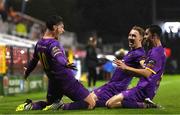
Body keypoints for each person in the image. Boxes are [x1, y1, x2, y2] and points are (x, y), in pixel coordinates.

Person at [16, 15, 95, 111]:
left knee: (50, 104)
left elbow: (33, 61)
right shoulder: (53, 44)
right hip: (67, 81)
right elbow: (58, 57)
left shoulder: (39, 44)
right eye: (61, 27)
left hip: (54, 82)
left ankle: (30, 105)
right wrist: (65, 64)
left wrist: (27, 72)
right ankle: (62, 106)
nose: (63, 30)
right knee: (91, 103)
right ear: (54, 27)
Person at [60, 26, 146, 110]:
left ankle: (62, 106)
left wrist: (127, 68)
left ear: (141, 38)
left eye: (134, 36)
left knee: (90, 102)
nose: (130, 37)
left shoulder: (140, 53)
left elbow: (146, 70)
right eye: (130, 35)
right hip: (110, 86)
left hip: (115, 88)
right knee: (89, 98)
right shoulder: (132, 52)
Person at [106, 25, 166, 109]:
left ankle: (146, 105)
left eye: (146, 34)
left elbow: (147, 73)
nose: (144, 37)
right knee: (109, 102)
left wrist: (126, 67)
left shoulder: (156, 53)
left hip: (144, 90)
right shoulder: (154, 50)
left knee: (111, 104)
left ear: (154, 36)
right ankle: (142, 102)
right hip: (142, 88)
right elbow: (145, 70)